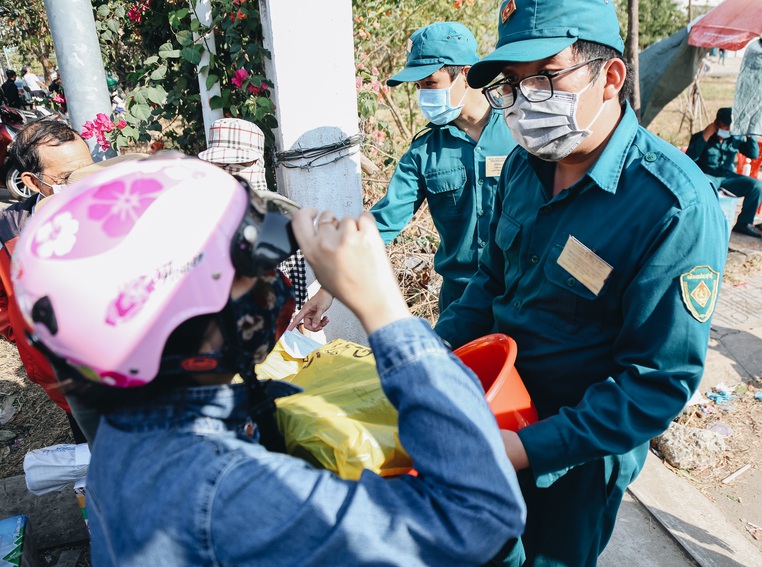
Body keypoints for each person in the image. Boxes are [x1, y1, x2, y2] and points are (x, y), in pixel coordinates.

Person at [11, 156, 526, 566]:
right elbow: (483, 516)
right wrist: (383, 308)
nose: (271, 283)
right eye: (250, 268)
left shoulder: (124, 432)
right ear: (176, 321)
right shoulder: (227, 493)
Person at [433, 0, 729, 565]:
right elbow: (489, 285)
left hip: (574, 458)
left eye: (543, 79)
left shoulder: (672, 206)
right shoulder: (524, 165)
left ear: (610, 76)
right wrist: (434, 355)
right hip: (491, 409)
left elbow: (655, 384)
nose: (522, 104)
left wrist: (523, 448)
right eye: (512, 85)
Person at [290, 22, 517, 331]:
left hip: (518, 297)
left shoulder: (519, 129)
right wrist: (327, 290)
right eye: (418, 87)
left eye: (431, 83)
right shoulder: (424, 152)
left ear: (464, 73)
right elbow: (379, 224)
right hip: (461, 305)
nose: (424, 95)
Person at [0, 120, 93, 443]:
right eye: (67, 178)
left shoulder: (114, 211)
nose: (82, 183)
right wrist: (25, 340)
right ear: (32, 181)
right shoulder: (8, 232)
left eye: (88, 170)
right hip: (67, 382)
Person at [198, 117, 309, 312]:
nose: (229, 172)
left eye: (239, 164)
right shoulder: (199, 214)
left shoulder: (282, 216)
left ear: (257, 161)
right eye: (219, 164)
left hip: (274, 326)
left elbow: (296, 289)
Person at [686, 107, 762, 237]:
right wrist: (705, 136)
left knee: (757, 186)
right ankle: (701, 224)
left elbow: (753, 154)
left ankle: (744, 224)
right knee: (705, 188)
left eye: (730, 128)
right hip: (706, 176)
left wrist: (749, 135)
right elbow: (689, 159)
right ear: (716, 123)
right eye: (725, 127)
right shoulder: (700, 137)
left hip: (728, 177)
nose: (727, 131)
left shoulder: (735, 138)